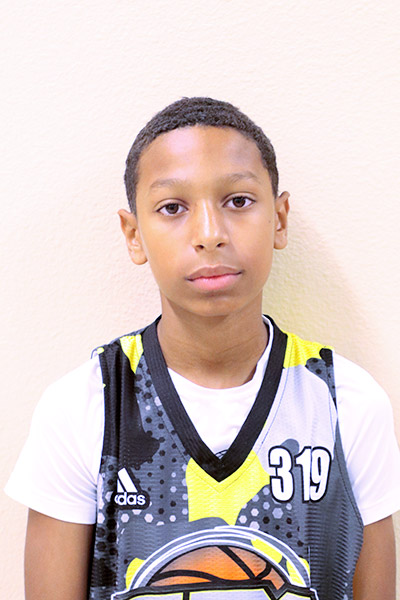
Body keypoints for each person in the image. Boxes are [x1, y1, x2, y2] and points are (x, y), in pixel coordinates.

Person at [5, 97, 400, 600]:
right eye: (173, 208)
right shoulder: (85, 405)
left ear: (279, 219)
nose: (210, 234)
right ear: (134, 235)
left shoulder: (346, 402)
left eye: (238, 201)